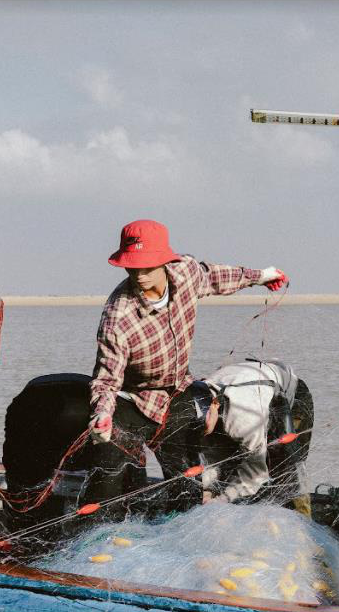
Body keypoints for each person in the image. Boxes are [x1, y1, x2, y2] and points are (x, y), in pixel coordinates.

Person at [86, 219, 287, 512]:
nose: (139, 274)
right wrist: (102, 414)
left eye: (147, 267)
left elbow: (217, 277)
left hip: (177, 390)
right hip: (131, 399)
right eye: (132, 267)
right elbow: (106, 380)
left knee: (187, 480)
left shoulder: (185, 273)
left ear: (164, 262)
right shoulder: (118, 317)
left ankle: (183, 527)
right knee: (113, 475)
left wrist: (261, 276)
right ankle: (105, 537)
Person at [197, 359, 314, 516]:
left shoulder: (244, 419)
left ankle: (303, 523)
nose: (201, 430)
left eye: (204, 425)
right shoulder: (197, 398)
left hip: (290, 398)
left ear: (214, 406)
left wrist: (222, 500)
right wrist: (207, 490)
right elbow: (212, 457)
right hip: (252, 386)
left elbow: (256, 473)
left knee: (287, 469)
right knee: (231, 464)